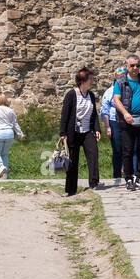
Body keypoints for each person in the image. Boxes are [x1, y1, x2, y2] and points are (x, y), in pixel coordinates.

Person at [112, 55, 140, 190]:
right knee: (128, 150)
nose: (135, 68)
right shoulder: (121, 82)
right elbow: (116, 99)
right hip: (127, 121)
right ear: (127, 66)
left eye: (137, 65)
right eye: (132, 66)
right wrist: (125, 114)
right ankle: (129, 178)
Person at [59, 68, 102, 196]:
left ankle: (94, 182)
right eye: (90, 79)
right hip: (73, 132)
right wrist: (63, 133)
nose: (92, 81)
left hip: (87, 131)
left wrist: (97, 129)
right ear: (83, 81)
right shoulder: (71, 94)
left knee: (93, 153)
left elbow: (94, 114)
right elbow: (65, 115)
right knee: (72, 160)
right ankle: (70, 189)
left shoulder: (91, 95)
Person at [100, 66, 126, 184]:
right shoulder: (110, 91)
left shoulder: (128, 88)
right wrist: (107, 127)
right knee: (117, 149)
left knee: (129, 148)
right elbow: (104, 110)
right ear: (115, 77)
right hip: (114, 121)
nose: (121, 78)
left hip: (127, 120)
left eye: (123, 76)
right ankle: (117, 175)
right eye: (119, 76)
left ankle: (129, 173)